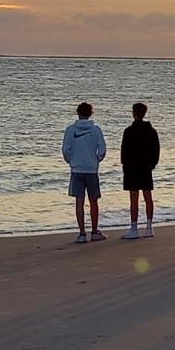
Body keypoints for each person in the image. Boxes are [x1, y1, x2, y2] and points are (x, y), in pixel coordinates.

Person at [61, 102, 108, 244]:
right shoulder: (95, 130)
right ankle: (94, 231)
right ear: (90, 113)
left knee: (79, 202)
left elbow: (66, 149)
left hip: (77, 169)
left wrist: (71, 161)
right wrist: (96, 159)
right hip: (91, 169)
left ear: (78, 113)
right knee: (93, 201)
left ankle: (82, 233)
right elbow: (102, 149)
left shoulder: (71, 130)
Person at [120, 102, 159, 240]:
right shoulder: (151, 131)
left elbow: (124, 152)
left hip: (132, 168)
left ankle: (134, 227)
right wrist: (152, 165)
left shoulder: (129, 131)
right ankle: (149, 227)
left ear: (134, 113)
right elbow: (156, 151)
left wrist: (124, 166)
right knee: (148, 196)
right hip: (146, 167)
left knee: (134, 198)